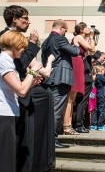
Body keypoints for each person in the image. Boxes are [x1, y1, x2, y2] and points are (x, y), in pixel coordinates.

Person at [0, 5, 56, 172]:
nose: (28, 22)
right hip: (5, 108)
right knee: (5, 156)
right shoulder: (4, 42)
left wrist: (31, 79)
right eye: (25, 18)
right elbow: (20, 68)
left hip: (12, 104)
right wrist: (33, 45)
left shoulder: (7, 54)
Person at [0, 30, 42, 172]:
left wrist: (31, 82)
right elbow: (20, 90)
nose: (23, 50)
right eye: (22, 47)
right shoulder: (3, 62)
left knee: (6, 158)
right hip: (2, 115)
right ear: (15, 45)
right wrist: (32, 71)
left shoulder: (5, 61)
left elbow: (18, 89)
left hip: (6, 114)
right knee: (3, 160)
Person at [41, 19, 80, 148]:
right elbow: (75, 52)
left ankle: (49, 137)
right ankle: (51, 139)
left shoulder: (46, 40)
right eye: (65, 30)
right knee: (55, 110)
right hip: (60, 78)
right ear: (62, 27)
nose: (65, 33)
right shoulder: (59, 39)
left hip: (50, 77)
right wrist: (75, 44)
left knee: (51, 108)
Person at [63, 22, 94, 135]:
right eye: (87, 27)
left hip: (79, 63)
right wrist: (91, 37)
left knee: (74, 96)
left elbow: (90, 52)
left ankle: (69, 124)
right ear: (81, 29)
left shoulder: (81, 38)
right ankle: (67, 125)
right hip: (76, 63)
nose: (89, 28)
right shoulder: (79, 37)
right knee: (71, 96)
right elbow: (91, 48)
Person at [73, 31, 95, 133]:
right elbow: (93, 49)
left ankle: (79, 124)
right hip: (85, 78)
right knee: (81, 102)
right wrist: (91, 37)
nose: (89, 42)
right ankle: (78, 125)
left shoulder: (84, 53)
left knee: (80, 103)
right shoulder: (83, 53)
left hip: (84, 78)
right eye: (87, 41)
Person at [90, 65, 105, 131]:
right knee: (102, 110)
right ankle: (100, 125)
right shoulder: (100, 76)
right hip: (102, 95)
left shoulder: (96, 76)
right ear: (100, 71)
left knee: (96, 109)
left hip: (97, 94)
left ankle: (94, 125)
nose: (104, 71)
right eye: (103, 70)